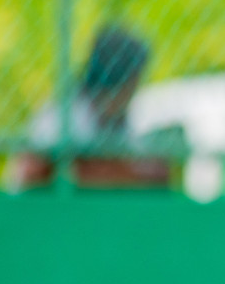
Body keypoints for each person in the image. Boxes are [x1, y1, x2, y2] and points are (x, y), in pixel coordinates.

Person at [16, 24, 169, 188]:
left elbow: (149, 171)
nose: (135, 88)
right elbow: (34, 172)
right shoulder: (63, 115)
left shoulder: (125, 120)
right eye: (132, 80)